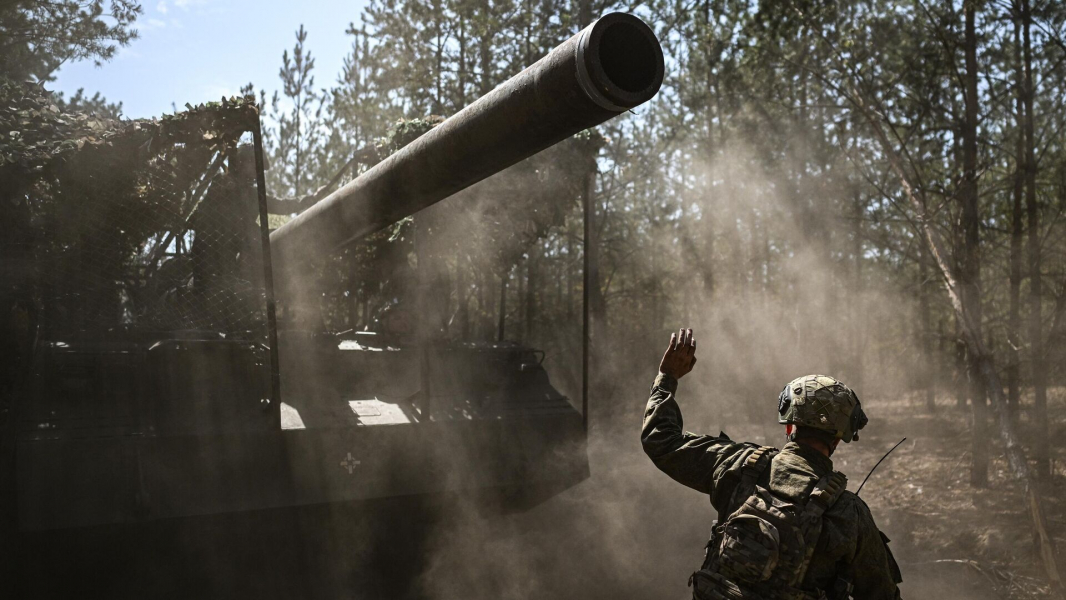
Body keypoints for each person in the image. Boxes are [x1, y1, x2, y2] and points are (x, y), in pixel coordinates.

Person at [642, 328, 902, 600]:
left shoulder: (739, 464)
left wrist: (667, 377)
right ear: (837, 440)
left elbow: (661, 441)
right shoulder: (850, 513)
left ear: (790, 426)